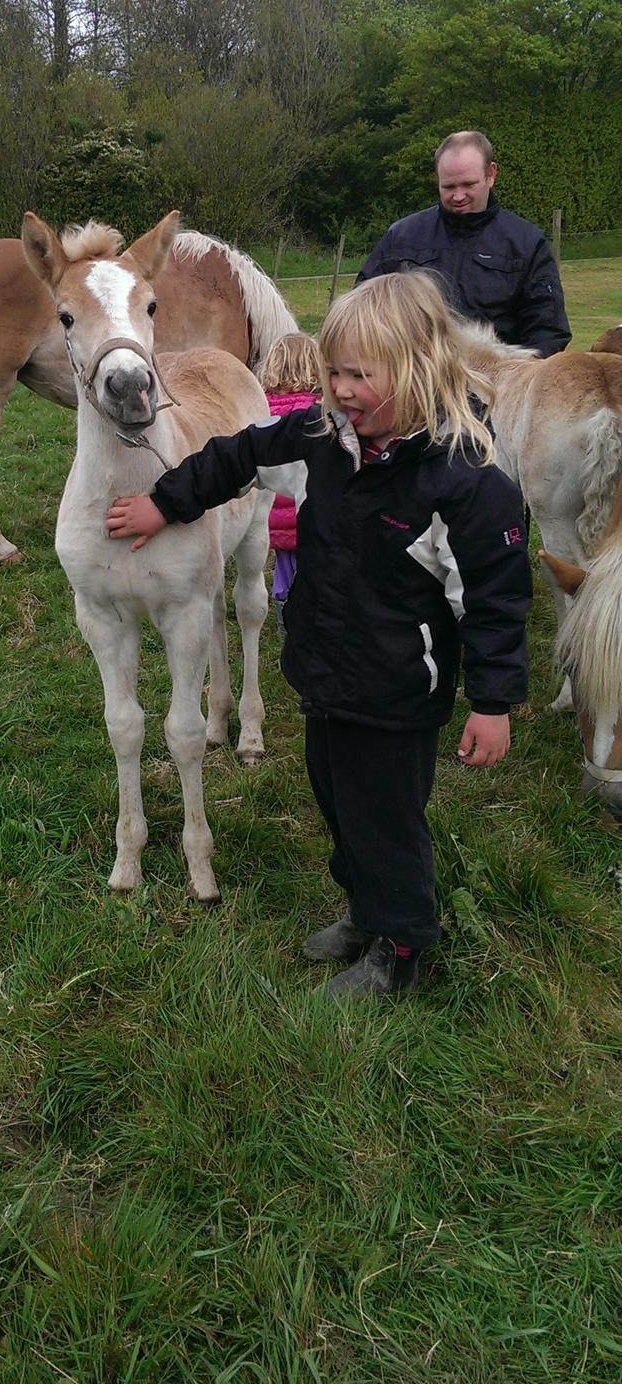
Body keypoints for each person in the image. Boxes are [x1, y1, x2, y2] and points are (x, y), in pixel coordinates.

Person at [106, 272, 532, 1001]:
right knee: (335, 799)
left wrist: (491, 704)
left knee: (385, 819)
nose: (339, 389)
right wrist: (162, 503)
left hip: (399, 692)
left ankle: (399, 946)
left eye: (359, 375)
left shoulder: (463, 485)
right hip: (326, 672)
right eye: (333, 371)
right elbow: (232, 456)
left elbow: (494, 601)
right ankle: (364, 909)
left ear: (420, 367)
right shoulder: (318, 441)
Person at [356, 130, 570, 357]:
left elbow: (547, 333)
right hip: (412, 379)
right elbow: (361, 308)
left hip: (495, 384)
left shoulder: (526, 243)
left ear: (491, 174)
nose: (458, 196)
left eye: (468, 184)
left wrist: (516, 380)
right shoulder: (402, 237)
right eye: (448, 187)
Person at [257, 332, 325, 628]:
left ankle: (287, 620)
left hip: (272, 518)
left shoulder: (261, 410)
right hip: (313, 515)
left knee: (284, 570)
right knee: (318, 568)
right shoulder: (322, 411)